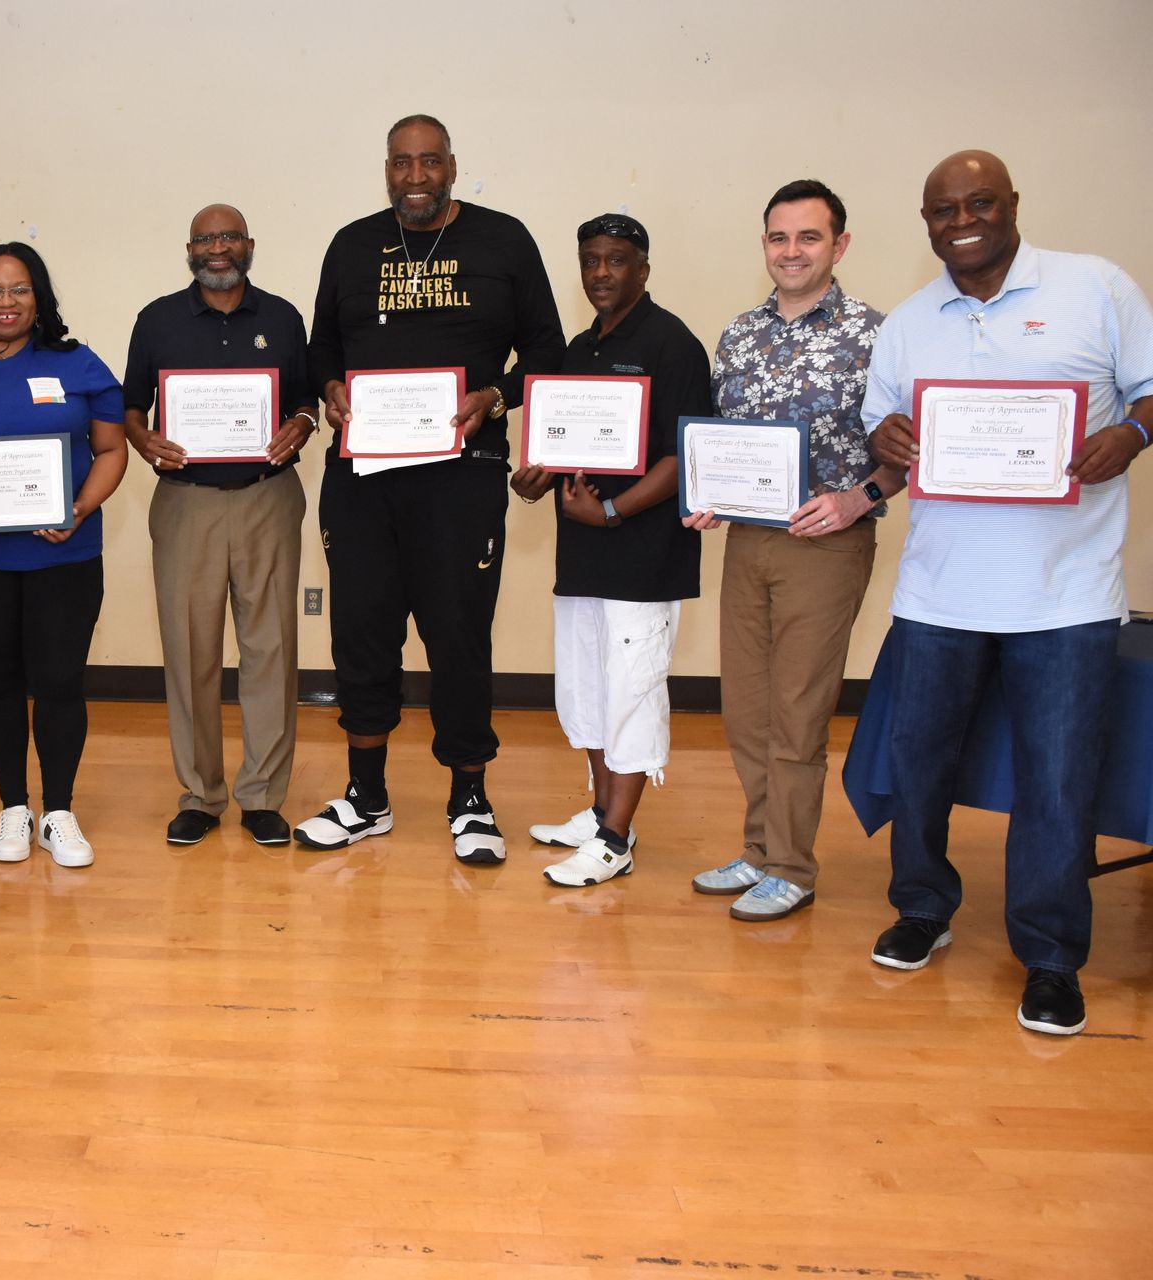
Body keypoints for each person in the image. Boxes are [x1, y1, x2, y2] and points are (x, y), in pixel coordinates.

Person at [862, 150, 1152, 1036]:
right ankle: (922, 910)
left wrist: (1131, 434)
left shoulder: (1094, 286)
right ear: (927, 224)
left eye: (978, 202)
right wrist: (890, 435)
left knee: (1058, 782)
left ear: (1012, 204)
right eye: (943, 210)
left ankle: (1052, 958)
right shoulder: (909, 322)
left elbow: (1151, 391)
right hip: (940, 592)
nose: (962, 220)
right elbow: (882, 425)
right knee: (920, 769)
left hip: (1063, 596)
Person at [299, 113, 565, 863]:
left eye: (428, 163)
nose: (414, 177)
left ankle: (470, 798)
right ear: (386, 170)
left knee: (457, 636)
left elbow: (545, 347)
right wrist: (327, 386)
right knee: (361, 632)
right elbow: (323, 343)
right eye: (400, 164)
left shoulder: (503, 240)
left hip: (462, 479)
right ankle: (367, 796)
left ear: (452, 166)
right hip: (362, 479)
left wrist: (497, 396)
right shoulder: (352, 244)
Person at [683, 180, 896, 921]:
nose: (792, 251)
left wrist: (856, 500)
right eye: (779, 237)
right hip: (749, 540)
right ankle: (758, 850)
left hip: (825, 544)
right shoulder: (741, 333)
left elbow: (908, 445)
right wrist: (707, 491)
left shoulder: (876, 333)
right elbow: (717, 433)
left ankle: (794, 868)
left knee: (798, 711)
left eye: (809, 237)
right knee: (746, 709)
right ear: (764, 245)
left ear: (839, 246)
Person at [515, 214, 710, 887]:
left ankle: (618, 839)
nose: (601, 273)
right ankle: (600, 813)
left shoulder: (672, 344)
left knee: (632, 693)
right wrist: (539, 475)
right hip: (584, 557)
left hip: (643, 557)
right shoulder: (579, 348)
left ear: (643, 269)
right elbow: (566, 446)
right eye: (591, 260)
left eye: (617, 261)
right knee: (587, 690)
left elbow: (681, 457)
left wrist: (609, 511)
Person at [0, 243, 127, 868]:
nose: (5, 302)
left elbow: (112, 450)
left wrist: (80, 508)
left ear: (39, 298)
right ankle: (14, 806)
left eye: (19, 289)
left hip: (63, 558)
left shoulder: (77, 363)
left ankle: (58, 810)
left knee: (61, 683)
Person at [121, 203, 316, 848]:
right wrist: (144, 438)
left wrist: (305, 423)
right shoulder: (157, 320)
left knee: (272, 647)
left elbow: (306, 400)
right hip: (185, 501)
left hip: (267, 496)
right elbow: (131, 406)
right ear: (190, 249)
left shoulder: (284, 318)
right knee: (189, 650)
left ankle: (262, 796)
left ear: (249, 244)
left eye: (229, 236)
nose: (218, 249)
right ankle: (200, 796)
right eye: (206, 239)